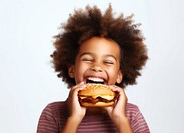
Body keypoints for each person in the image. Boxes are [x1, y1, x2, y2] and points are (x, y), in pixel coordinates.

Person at [37, 4, 150, 133]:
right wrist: (74, 118)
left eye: (108, 62)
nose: (96, 67)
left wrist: (120, 119)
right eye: (88, 59)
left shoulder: (131, 115)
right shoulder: (53, 113)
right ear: (72, 69)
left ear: (119, 75)